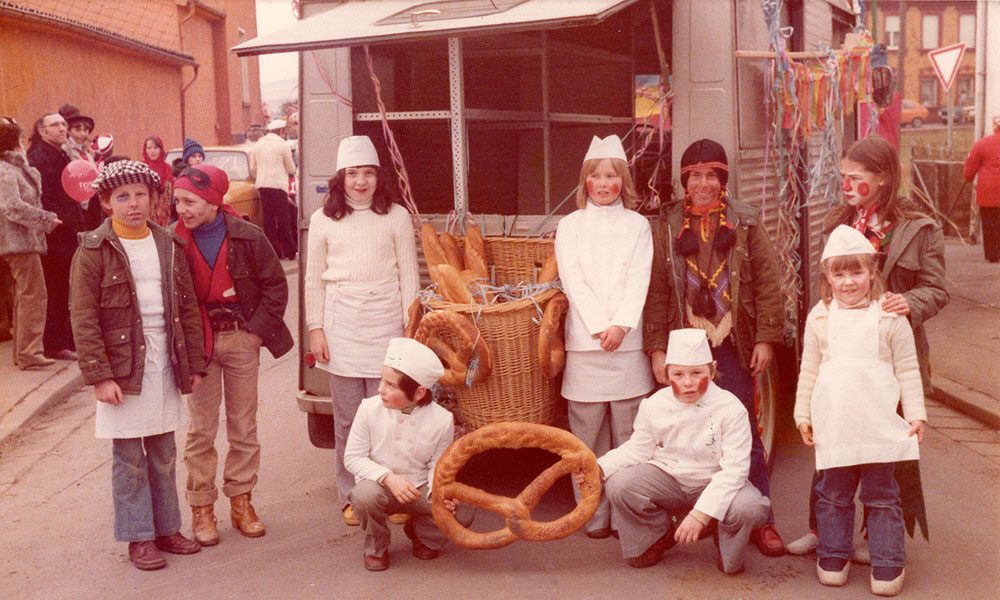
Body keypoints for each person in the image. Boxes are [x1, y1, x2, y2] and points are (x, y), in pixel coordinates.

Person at [786, 134, 947, 559]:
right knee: (831, 443)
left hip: (890, 355)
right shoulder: (837, 222)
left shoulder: (919, 228)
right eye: (842, 176)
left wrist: (908, 302)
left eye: (854, 177)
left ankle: (879, 537)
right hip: (841, 355)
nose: (845, 185)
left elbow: (937, 289)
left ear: (882, 178)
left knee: (887, 452)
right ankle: (824, 531)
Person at [642, 138, 786, 556]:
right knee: (679, 433)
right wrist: (657, 348)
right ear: (683, 181)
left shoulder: (745, 221)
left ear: (723, 180)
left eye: (711, 176)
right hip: (685, 345)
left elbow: (768, 282)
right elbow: (658, 289)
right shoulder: (668, 223)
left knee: (744, 431)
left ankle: (761, 519)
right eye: (695, 176)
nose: (703, 184)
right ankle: (681, 519)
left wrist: (765, 338)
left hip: (732, 342)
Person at [68, 160, 207, 570]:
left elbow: (186, 307)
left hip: (163, 363)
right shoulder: (93, 248)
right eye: (123, 197)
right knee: (129, 459)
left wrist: (193, 363)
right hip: (123, 370)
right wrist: (100, 376)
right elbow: (83, 316)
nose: (133, 204)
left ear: (153, 198)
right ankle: (139, 537)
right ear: (106, 203)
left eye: (141, 195)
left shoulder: (168, 243)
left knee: (164, 453)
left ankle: (167, 529)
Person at [794, 225, 926, 596]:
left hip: (877, 424)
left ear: (872, 272)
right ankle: (833, 555)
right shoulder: (820, 317)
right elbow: (809, 370)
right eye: (840, 274)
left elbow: (907, 368)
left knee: (882, 494)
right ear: (828, 278)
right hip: (835, 423)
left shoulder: (889, 316)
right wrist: (802, 415)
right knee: (834, 492)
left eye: (857, 272)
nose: (849, 282)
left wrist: (916, 413)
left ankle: (888, 561)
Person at [173, 163, 293, 546]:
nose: (182, 210)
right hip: (199, 344)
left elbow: (275, 287)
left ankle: (242, 502)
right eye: (178, 201)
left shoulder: (248, 236)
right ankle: (202, 508)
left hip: (241, 337)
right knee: (200, 430)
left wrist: (255, 332)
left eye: (190, 202)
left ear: (213, 202)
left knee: (243, 426)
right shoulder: (172, 242)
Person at [305, 135, 419, 527]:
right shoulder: (323, 221)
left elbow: (409, 276)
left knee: (391, 417)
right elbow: (313, 280)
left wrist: (409, 329)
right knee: (349, 421)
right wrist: (316, 328)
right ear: (340, 178)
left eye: (368, 173)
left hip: (386, 328)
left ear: (378, 177)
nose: (360, 182)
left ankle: (395, 495)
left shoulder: (397, 217)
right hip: (342, 329)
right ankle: (352, 494)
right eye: (352, 173)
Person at [592, 328, 770, 572]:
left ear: (713, 370)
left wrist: (700, 516)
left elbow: (734, 471)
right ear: (667, 374)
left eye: (697, 373)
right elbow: (638, 449)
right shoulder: (654, 404)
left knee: (749, 507)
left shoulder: (731, 408)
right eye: (678, 374)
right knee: (619, 485)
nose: (688, 382)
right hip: (670, 478)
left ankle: (725, 541)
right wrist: (598, 468)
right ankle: (658, 535)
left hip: (713, 480)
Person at [554, 134, 654, 538]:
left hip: (627, 346)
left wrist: (621, 325)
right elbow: (572, 280)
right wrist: (599, 326)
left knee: (629, 437)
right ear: (585, 181)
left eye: (612, 176)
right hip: (586, 343)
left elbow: (639, 279)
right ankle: (592, 515)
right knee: (587, 438)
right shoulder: (570, 226)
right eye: (596, 176)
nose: (603, 184)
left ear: (623, 181)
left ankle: (627, 513)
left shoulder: (638, 226)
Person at [344, 337, 472, 571]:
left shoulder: (442, 419)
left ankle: (421, 535)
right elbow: (353, 458)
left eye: (391, 385)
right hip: (378, 485)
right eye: (382, 380)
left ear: (419, 393)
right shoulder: (368, 409)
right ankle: (376, 546)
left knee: (462, 512)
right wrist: (389, 479)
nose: (380, 389)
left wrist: (439, 493)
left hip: (418, 486)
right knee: (364, 496)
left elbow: (438, 463)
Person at [0, 116, 60, 370]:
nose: (24, 143)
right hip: (18, 242)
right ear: (13, 143)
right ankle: (29, 352)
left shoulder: (12, 168)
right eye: (21, 139)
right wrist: (46, 219)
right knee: (33, 294)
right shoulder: (6, 170)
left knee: (25, 295)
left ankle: (24, 352)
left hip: (21, 241)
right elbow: (12, 207)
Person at [27, 111, 84, 361]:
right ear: (42, 131)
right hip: (54, 232)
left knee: (66, 287)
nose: (62, 128)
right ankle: (55, 344)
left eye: (63, 124)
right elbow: (41, 196)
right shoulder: (39, 157)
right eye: (55, 125)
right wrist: (55, 220)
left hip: (67, 229)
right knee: (56, 288)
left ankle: (66, 340)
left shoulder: (61, 153)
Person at [249, 119, 297, 259]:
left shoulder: (259, 144)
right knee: (283, 219)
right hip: (279, 186)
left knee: (268, 220)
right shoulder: (282, 145)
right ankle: (290, 251)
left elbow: (253, 167)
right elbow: (291, 168)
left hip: (263, 185)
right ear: (281, 131)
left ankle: (273, 252)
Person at [963, 113, 1000, 262]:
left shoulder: (982, 143)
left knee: (989, 222)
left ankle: (992, 254)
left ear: (995, 126)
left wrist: (968, 178)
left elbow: (971, 166)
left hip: (988, 189)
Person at [142, 136, 174, 227]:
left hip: (164, 215)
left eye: (155, 148)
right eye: (149, 148)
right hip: (147, 214)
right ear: (145, 150)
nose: (152, 151)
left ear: (161, 149)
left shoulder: (168, 168)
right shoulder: (142, 168)